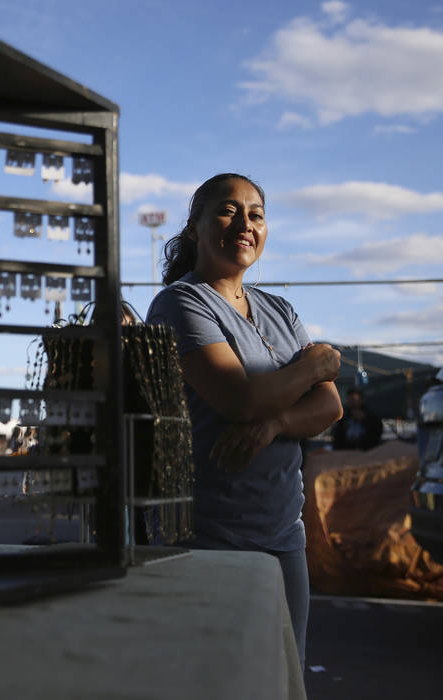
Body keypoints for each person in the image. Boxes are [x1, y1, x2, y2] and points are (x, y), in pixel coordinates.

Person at [146, 173, 343, 669]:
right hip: (211, 538)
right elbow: (242, 399)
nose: (245, 223)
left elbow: (330, 408)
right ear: (195, 227)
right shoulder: (180, 303)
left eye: (255, 213)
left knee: (286, 674)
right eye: (228, 210)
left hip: (283, 536)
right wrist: (316, 365)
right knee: (220, 677)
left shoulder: (280, 308)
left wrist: (275, 426)